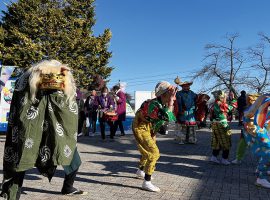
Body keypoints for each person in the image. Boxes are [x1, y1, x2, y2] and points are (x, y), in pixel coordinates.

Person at [0, 60, 86, 200]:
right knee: (21, 159)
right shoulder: (32, 78)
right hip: (31, 128)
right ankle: (13, 194)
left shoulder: (29, 78)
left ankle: (67, 187)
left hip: (52, 128)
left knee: (71, 156)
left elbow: (67, 103)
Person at [133, 81, 176, 192]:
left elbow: (170, 118)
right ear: (164, 94)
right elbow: (168, 117)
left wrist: (170, 100)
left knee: (146, 151)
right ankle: (146, 182)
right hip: (141, 128)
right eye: (171, 94)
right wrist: (171, 101)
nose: (174, 97)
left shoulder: (161, 104)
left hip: (149, 129)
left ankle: (140, 170)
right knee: (154, 153)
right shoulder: (154, 104)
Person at [242, 94, 270, 188]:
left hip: (260, 131)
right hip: (256, 131)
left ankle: (261, 170)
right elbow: (250, 123)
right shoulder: (263, 101)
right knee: (268, 151)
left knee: (265, 151)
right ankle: (261, 178)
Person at [209, 90, 236, 165]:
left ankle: (214, 157)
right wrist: (233, 98)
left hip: (214, 124)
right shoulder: (222, 105)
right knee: (226, 141)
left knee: (217, 141)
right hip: (222, 124)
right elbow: (232, 107)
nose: (226, 98)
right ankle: (224, 159)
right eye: (225, 97)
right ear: (222, 97)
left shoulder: (213, 104)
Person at [231, 93, 259, 165]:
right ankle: (238, 158)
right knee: (242, 144)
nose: (246, 101)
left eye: (247, 99)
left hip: (253, 130)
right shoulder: (248, 108)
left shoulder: (256, 109)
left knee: (258, 146)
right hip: (246, 129)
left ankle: (262, 161)